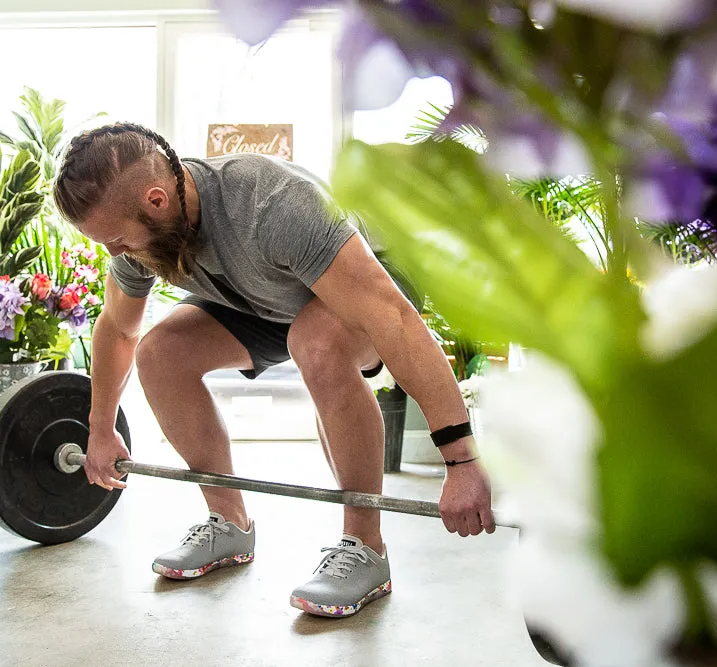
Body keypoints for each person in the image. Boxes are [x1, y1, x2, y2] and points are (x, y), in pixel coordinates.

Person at [52, 122, 495, 618]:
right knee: (160, 352)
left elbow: (390, 316)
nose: (114, 252)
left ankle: (366, 548)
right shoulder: (144, 239)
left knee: (317, 343)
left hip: (371, 283)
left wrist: (460, 460)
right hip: (267, 300)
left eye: (115, 239)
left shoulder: (270, 205)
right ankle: (228, 524)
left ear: (157, 201)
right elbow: (118, 329)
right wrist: (99, 427)